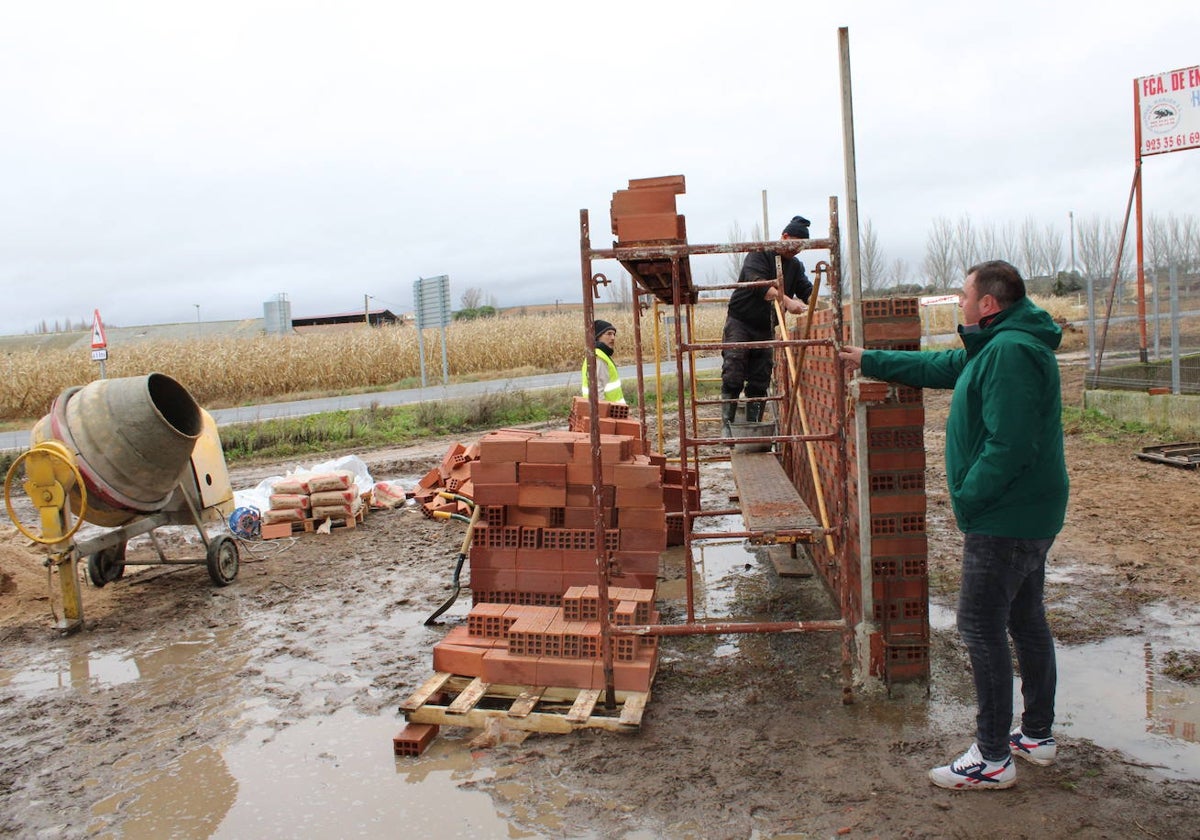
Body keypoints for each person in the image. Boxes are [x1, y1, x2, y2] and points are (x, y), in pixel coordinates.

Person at [838, 259, 1068, 791]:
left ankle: (992, 759)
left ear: (987, 303)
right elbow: (943, 366)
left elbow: (1010, 446)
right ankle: (1035, 735)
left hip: (1006, 516)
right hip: (1027, 510)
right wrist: (870, 358)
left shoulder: (1009, 352)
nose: (959, 301)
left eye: (964, 294)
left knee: (980, 626)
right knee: (1026, 620)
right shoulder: (1000, 344)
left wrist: (969, 497)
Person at [721, 214, 814, 434]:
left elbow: (807, 290)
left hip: (765, 326)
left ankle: (752, 425)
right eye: (793, 247)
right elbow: (758, 285)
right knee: (734, 369)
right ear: (784, 236)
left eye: (799, 249)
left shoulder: (795, 265)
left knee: (760, 378)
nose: (795, 252)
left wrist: (819, 303)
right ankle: (727, 424)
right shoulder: (759, 253)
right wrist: (787, 301)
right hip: (741, 321)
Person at [582, 319, 626, 404]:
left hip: (613, 411)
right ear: (598, 337)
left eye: (614, 334)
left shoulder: (601, 355)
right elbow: (598, 392)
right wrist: (602, 415)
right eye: (609, 334)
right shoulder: (599, 358)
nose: (613, 338)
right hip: (609, 413)